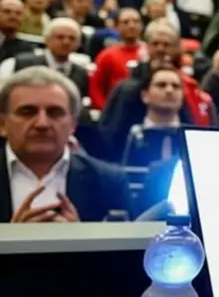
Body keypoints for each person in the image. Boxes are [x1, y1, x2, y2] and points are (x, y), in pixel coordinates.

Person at [0, 67, 128, 221]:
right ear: (2, 124)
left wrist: (80, 239)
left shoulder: (109, 181)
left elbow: (133, 244)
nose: (42, 124)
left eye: (55, 113)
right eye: (28, 112)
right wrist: (10, 239)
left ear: (73, 124)